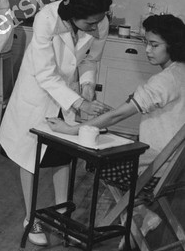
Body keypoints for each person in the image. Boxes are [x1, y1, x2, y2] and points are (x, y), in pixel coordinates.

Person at [47, 14, 185, 243]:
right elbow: (127, 110)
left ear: (173, 45)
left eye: (154, 45)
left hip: (156, 168)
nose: (148, 50)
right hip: (177, 169)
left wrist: (72, 129)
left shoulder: (165, 80)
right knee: (109, 139)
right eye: (145, 43)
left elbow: (119, 115)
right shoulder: (180, 72)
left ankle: (138, 214)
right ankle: (141, 214)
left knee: (94, 158)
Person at [0, 0, 113, 246]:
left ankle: (63, 216)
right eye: (90, 23)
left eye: (99, 22)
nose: (96, 28)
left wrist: (86, 85)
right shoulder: (46, 20)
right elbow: (46, 74)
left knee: (64, 155)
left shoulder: (100, 21)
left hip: (69, 93)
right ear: (73, 15)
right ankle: (31, 217)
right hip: (38, 93)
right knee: (30, 157)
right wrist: (79, 104)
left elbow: (90, 60)